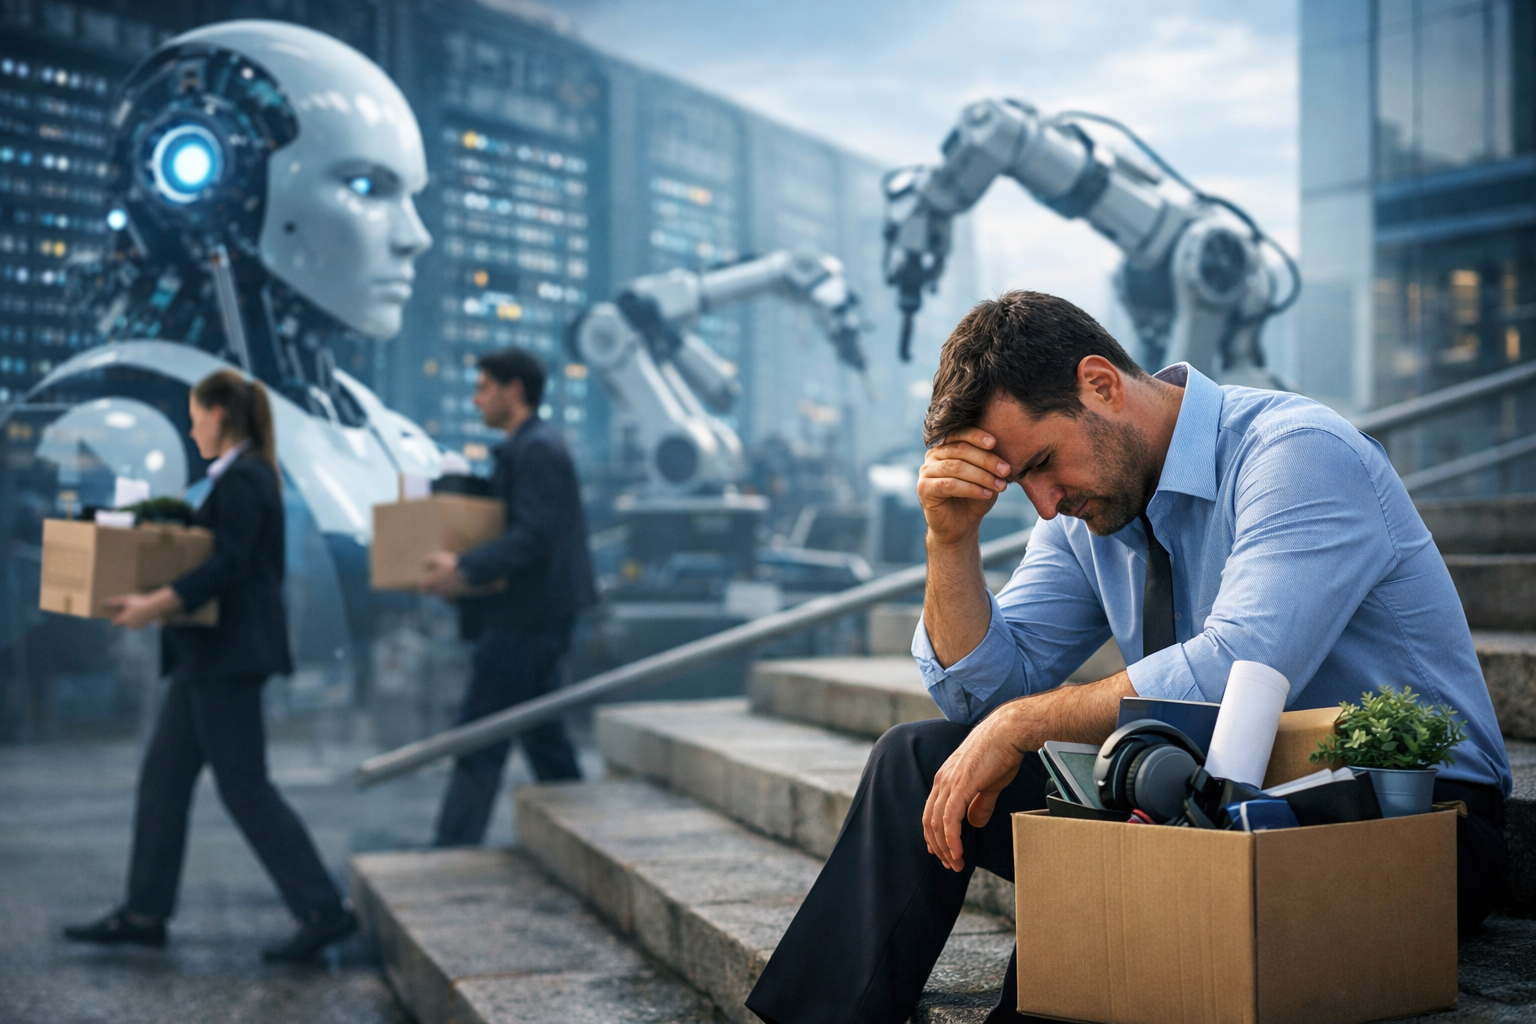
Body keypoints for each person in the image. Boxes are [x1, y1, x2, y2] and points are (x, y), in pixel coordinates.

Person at [745, 291, 1513, 1024]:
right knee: (916, 759)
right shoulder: (1085, 512)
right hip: (1209, 794)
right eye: (1021, 483)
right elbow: (982, 700)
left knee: (1103, 883)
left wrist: (1023, 725)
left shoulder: (1297, 453)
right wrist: (950, 541)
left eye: (1043, 463)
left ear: (1101, 383)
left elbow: (1236, 670)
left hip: (1410, 818)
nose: (1043, 503)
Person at [64, 370, 357, 962]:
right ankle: (145, 913)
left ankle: (324, 909)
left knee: (245, 787)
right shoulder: (234, 481)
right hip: (208, 657)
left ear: (220, 413)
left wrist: (152, 604)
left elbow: (223, 564)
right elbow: (206, 552)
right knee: (164, 782)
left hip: (227, 657)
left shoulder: (246, 480)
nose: (191, 425)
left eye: (196, 414)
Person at [419, 347, 596, 846]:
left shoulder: (537, 450)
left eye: (483, 388)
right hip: (532, 616)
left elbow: (532, 537)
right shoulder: (531, 447)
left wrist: (465, 568)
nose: (476, 400)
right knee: (543, 737)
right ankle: (583, 836)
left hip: (527, 620)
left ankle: (450, 851)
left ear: (512, 390)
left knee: (479, 736)